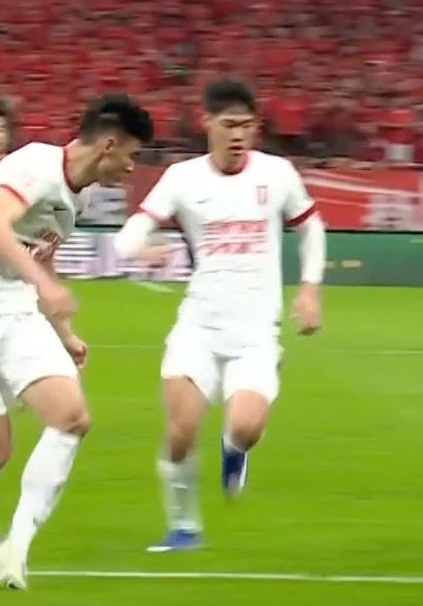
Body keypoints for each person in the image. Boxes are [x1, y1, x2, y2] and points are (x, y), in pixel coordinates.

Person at [0, 94, 153, 589]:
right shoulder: (35, 165)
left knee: (72, 418)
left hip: (16, 312)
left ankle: (14, 550)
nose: (132, 167)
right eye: (132, 155)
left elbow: (42, 253)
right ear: (108, 145)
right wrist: (44, 285)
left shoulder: (78, 196)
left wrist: (63, 332)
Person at [112, 79, 326, 552]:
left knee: (245, 428)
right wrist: (140, 250)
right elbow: (128, 236)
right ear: (206, 122)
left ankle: (235, 449)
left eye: (247, 126)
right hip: (199, 327)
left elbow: (311, 227)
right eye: (229, 125)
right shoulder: (183, 178)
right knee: (181, 432)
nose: (238, 135)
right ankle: (184, 527)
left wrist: (310, 288)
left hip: (255, 332)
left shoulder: (277, 174)